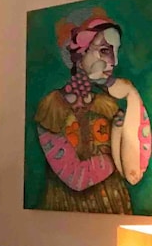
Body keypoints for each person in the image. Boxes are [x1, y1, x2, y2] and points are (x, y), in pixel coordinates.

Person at [34, 13, 151, 213]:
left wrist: (132, 95)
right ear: (79, 56)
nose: (113, 62)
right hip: (65, 215)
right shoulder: (52, 109)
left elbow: (133, 173)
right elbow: (76, 177)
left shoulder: (107, 106)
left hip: (115, 209)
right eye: (104, 51)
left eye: (116, 52)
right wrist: (116, 154)